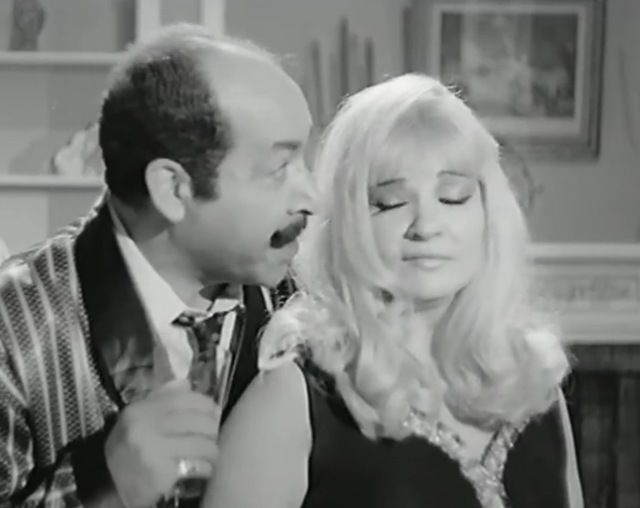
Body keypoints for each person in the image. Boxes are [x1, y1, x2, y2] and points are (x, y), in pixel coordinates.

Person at [202, 73, 584, 508]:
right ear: (347, 222)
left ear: (487, 212)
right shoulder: (297, 393)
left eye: (453, 197)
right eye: (391, 203)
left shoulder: (532, 380)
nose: (427, 226)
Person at [0, 23, 315, 507]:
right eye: (279, 169)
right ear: (172, 188)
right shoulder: (15, 324)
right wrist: (99, 486)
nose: (311, 196)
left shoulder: (305, 308)